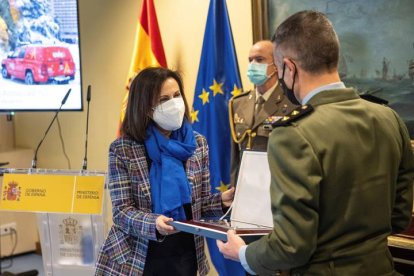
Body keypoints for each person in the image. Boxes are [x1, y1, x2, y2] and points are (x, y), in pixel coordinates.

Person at [218, 10, 414, 275]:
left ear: (289, 67)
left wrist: (244, 254)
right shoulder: (389, 118)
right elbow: (399, 216)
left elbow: (291, 246)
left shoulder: (293, 134)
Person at [95, 67, 234, 276]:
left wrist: (222, 200)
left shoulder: (197, 143)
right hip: (138, 258)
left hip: (185, 255)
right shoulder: (123, 149)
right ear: (145, 107)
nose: (174, 104)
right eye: (164, 99)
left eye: (177, 96)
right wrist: (154, 223)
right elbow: (122, 212)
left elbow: (199, 205)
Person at [229, 40, 298, 185]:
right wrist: (235, 187)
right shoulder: (238, 103)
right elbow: (235, 156)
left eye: (259, 60)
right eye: (250, 60)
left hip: (276, 186)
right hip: (246, 186)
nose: (253, 65)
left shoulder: (292, 103)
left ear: (276, 66)